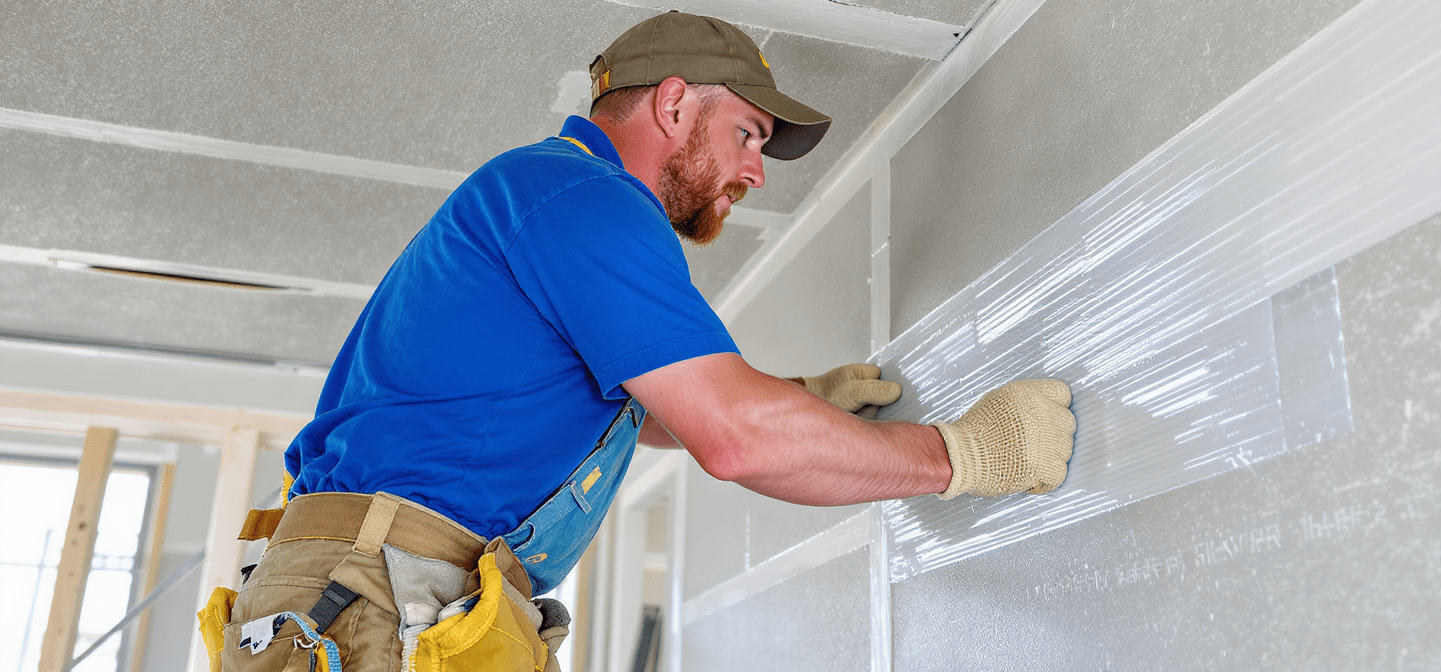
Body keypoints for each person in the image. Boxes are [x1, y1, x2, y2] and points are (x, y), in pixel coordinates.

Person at [196, 11, 1076, 672]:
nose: (754, 171)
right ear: (672, 103)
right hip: (377, 590)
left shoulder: (547, 200)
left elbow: (653, 414)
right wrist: (971, 454)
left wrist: (798, 395)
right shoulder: (582, 196)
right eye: (747, 134)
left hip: (387, 585)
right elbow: (733, 439)